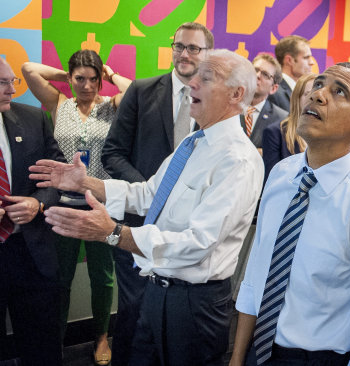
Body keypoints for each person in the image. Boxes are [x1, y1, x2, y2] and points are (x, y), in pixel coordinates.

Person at [30, 49, 264, 366]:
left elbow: (198, 243)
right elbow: (149, 194)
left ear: (237, 94)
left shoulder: (238, 160)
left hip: (193, 307)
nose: (191, 83)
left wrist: (112, 234)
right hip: (155, 291)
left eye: (205, 77)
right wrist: (87, 183)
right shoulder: (192, 143)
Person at [230, 62, 350, 366]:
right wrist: (237, 357)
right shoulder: (280, 176)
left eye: (338, 92)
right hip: (259, 349)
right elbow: (256, 274)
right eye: (318, 85)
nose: (318, 95)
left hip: (320, 358)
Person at [100, 22, 214, 366]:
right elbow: (112, 153)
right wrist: (153, 193)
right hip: (137, 224)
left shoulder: (215, 100)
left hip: (187, 231)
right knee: (134, 316)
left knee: (175, 323)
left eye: (193, 48)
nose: (184, 53)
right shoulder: (141, 90)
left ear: (207, 54)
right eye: (179, 46)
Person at [21, 49, 131, 365]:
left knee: (103, 278)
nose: (86, 86)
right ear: (71, 79)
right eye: (79, 79)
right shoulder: (59, 104)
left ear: (100, 80)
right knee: (60, 278)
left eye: (92, 79)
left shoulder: (111, 107)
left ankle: (100, 338)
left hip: (100, 207)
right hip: (62, 207)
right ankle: (54, 342)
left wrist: (110, 75)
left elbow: (133, 91)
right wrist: (66, 77)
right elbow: (29, 69)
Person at [0, 57, 65, 365]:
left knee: (41, 347)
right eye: (3, 83)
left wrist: (37, 203)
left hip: (30, 252)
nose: (11, 91)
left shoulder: (33, 120)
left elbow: (58, 178)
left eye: (14, 81)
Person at [262, 73, 315, 181]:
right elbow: (272, 181)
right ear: (297, 98)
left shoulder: (329, 136)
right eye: (308, 94)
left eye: (317, 95)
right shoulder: (275, 133)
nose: (313, 100)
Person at [240, 53, 287, 155]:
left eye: (265, 74)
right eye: (255, 70)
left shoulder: (281, 119)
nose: (257, 76)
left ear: (273, 88)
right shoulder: (226, 107)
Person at [267, 35, 314, 111]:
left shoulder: (306, 92)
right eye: (306, 57)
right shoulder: (274, 93)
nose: (312, 62)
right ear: (289, 60)